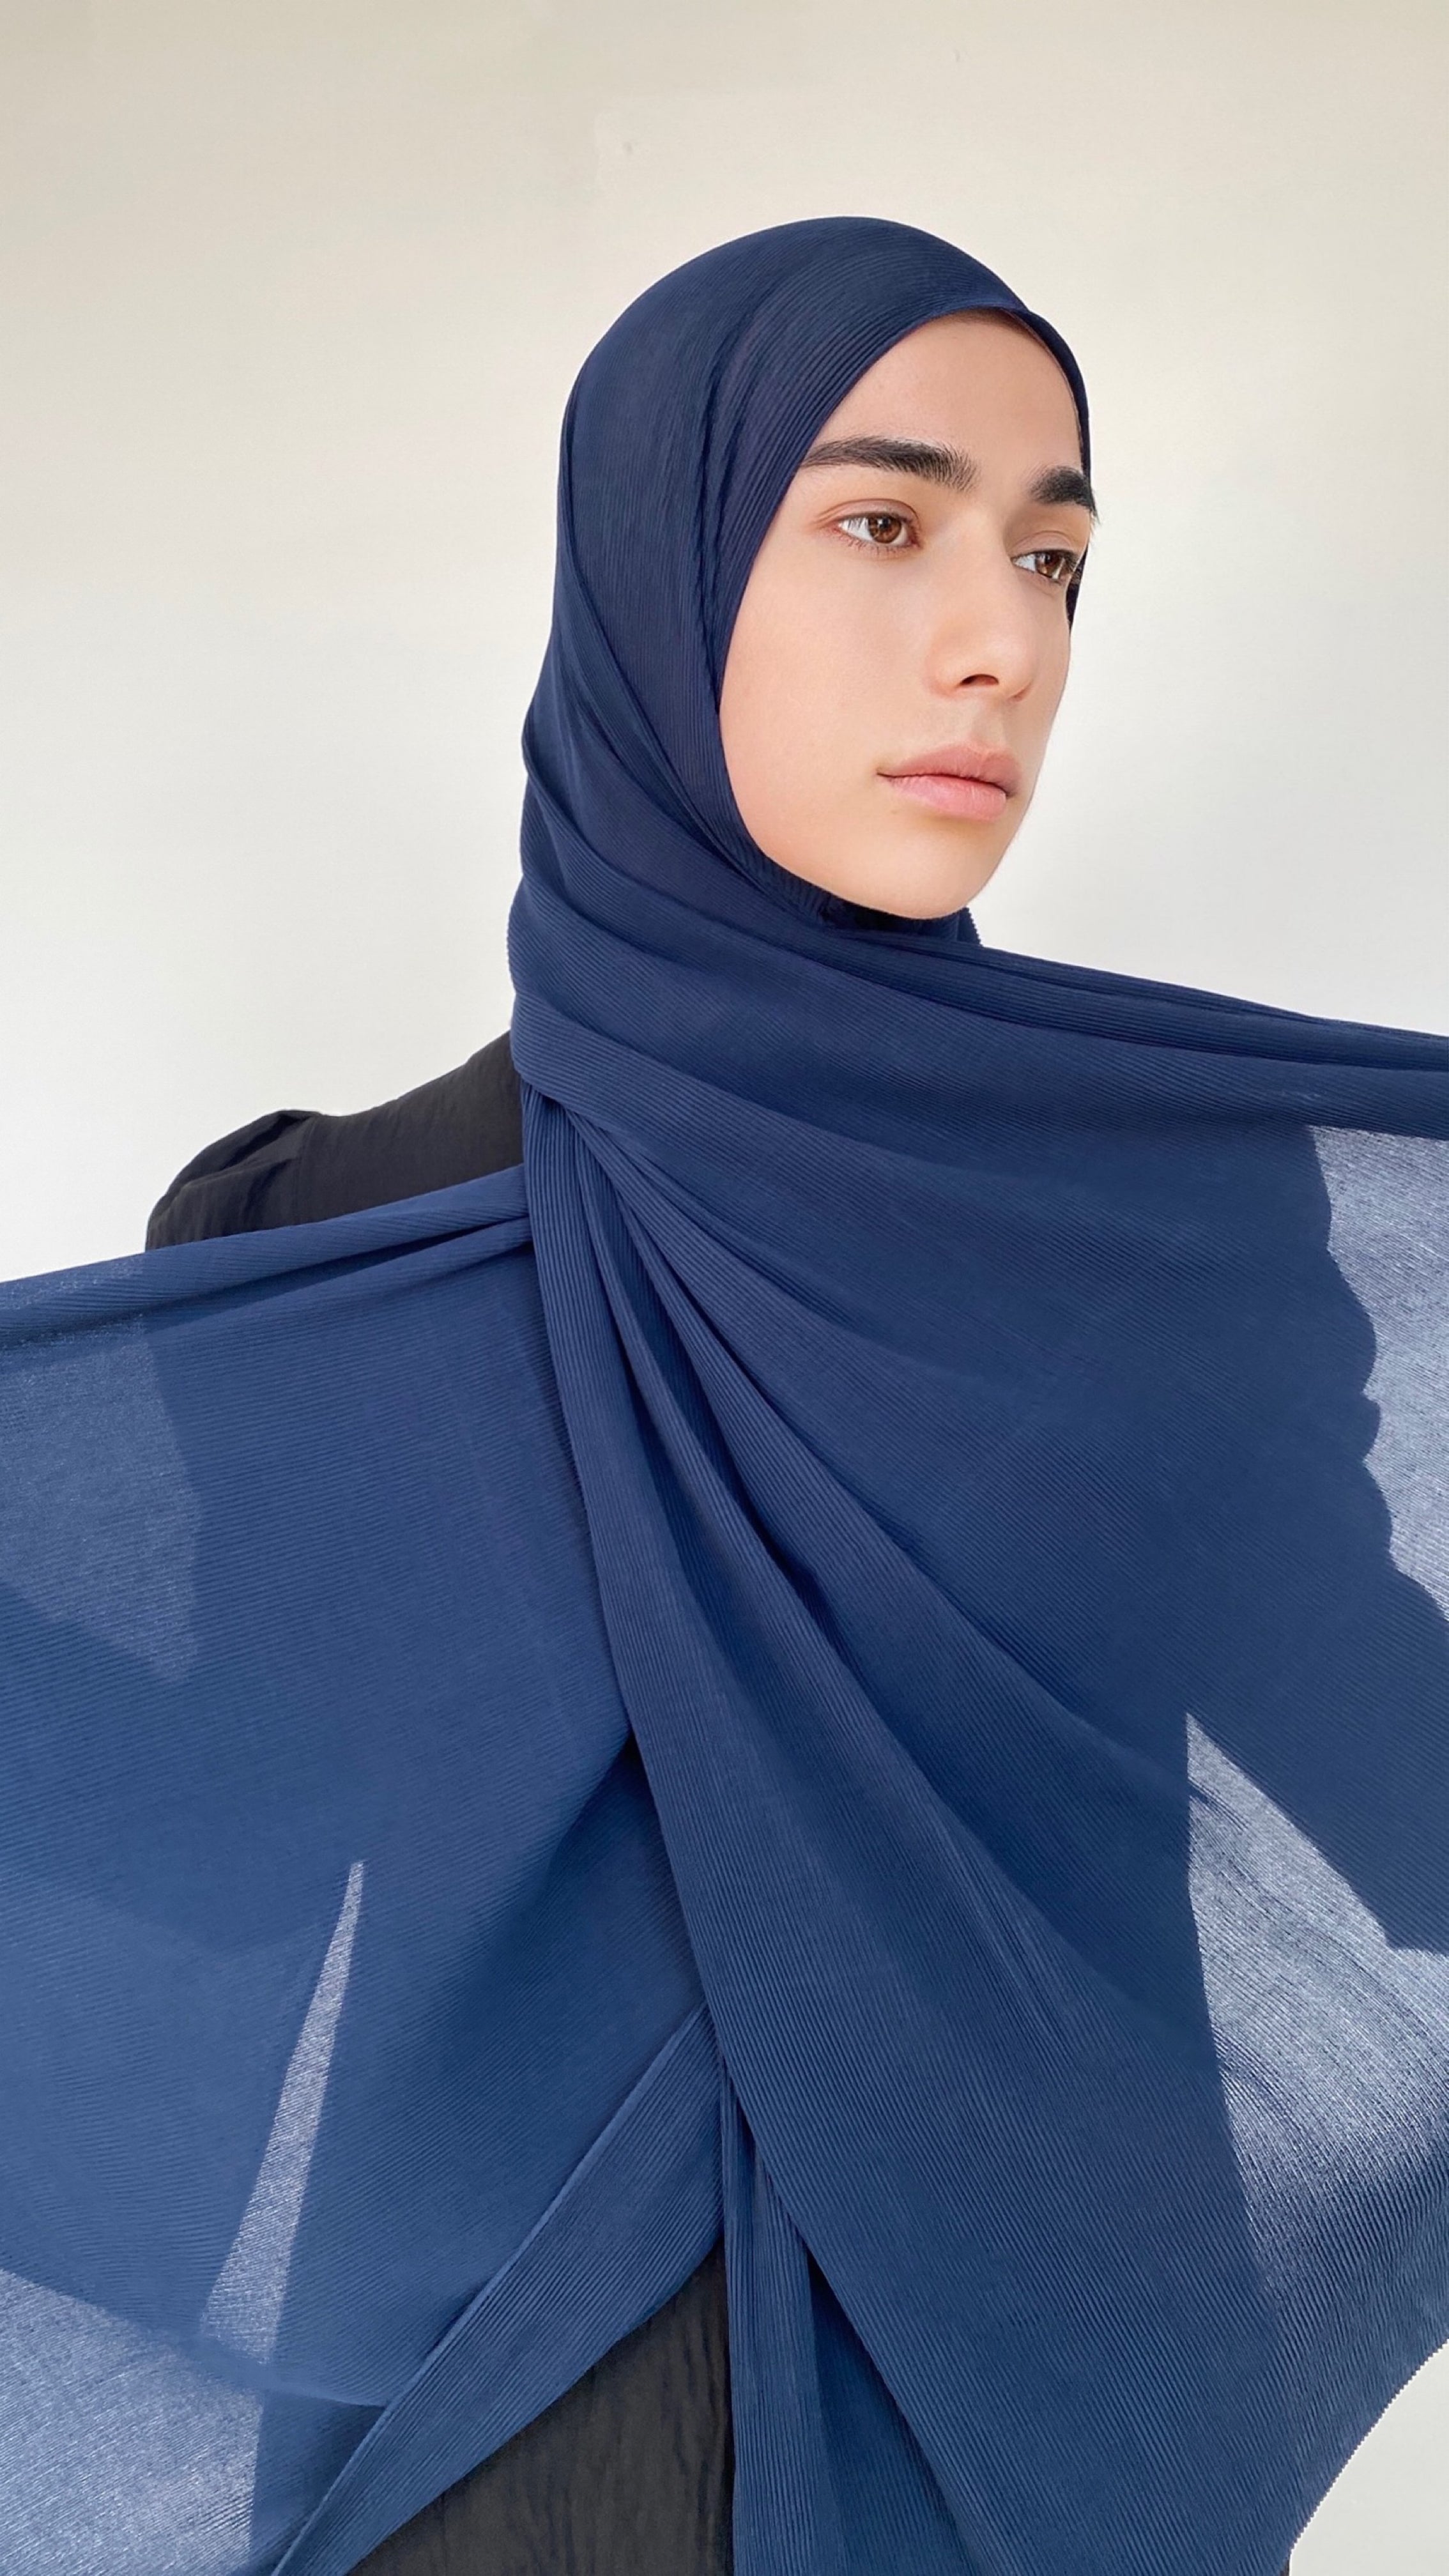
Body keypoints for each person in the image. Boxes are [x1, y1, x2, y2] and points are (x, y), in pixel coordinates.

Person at [4, 216, 1444, 2576]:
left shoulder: (1152, 1228)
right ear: (652, 573)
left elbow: (1390, 1778)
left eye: (1055, 560)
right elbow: (208, 1895)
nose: (1000, 643)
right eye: (881, 524)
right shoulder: (319, 1226)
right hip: (496, 2451)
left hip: (1022, 2443)